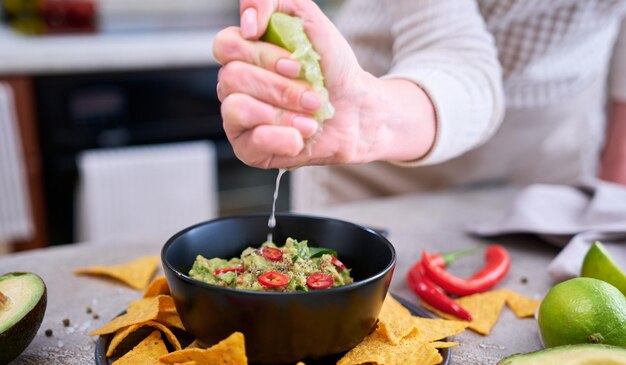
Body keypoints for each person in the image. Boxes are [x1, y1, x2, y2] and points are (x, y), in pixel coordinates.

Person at [212, 0, 626, 209]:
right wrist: (373, 120)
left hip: (552, 155)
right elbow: (449, 50)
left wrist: (612, 202)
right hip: (381, 149)